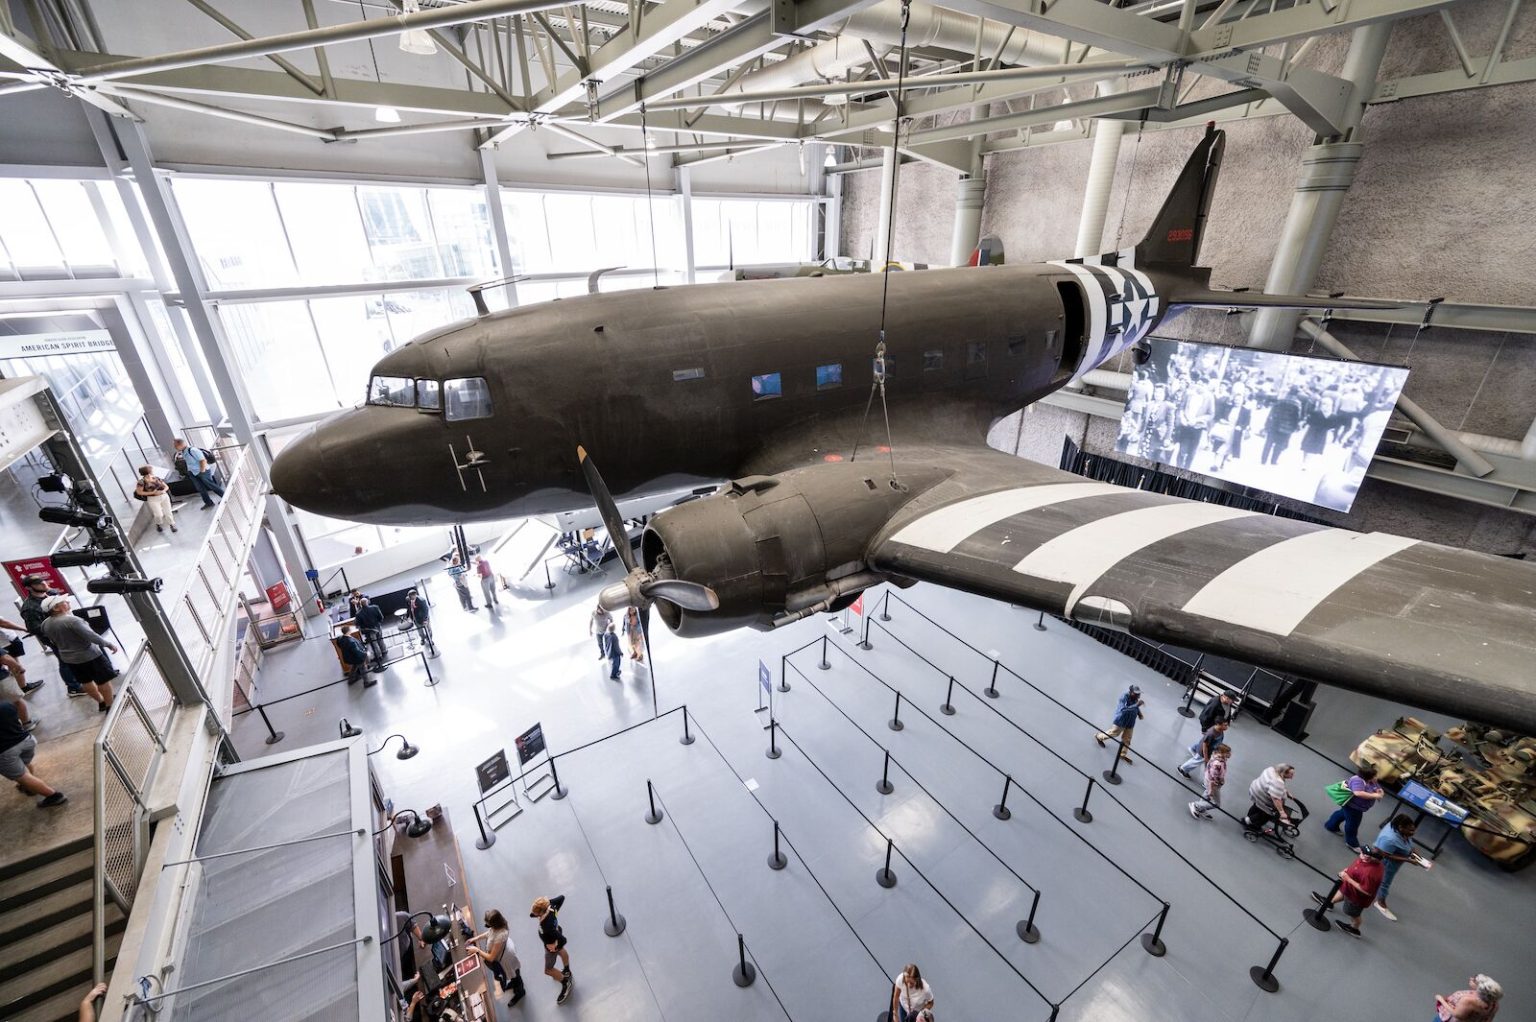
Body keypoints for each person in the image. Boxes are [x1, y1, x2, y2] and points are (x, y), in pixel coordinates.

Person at [38, 596, 115, 711]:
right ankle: (111, 705)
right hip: (90, 656)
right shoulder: (72, 621)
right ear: (56, 608)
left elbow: (51, 640)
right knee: (103, 680)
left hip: (69, 658)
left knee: (85, 681)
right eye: (63, 602)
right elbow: (91, 636)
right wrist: (108, 644)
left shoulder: (45, 624)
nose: (67, 602)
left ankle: (101, 701)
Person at [20, 576, 84, 697]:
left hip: (69, 631)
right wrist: (55, 629)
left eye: (43, 581)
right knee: (65, 661)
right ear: (29, 587)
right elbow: (35, 628)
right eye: (38, 583)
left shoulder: (51, 593)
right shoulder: (30, 608)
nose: (44, 584)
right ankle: (73, 687)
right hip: (55, 638)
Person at [1, 700, 67, 807]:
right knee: (24, 764)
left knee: (22, 776)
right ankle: (28, 787)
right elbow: (19, 722)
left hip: (6, 750)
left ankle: (54, 796)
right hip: (27, 741)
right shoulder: (7, 705)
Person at [1310, 846, 1385, 937]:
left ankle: (1354, 928)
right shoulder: (1366, 860)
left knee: (1351, 912)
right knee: (1342, 891)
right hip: (1350, 887)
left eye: (1364, 854)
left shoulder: (1370, 873)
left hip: (1357, 898)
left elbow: (1367, 891)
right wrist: (1347, 871)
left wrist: (1348, 879)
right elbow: (1358, 866)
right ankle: (1329, 902)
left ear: (1370, 858)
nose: (1361, 853)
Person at [1372, 814, 1429, 921]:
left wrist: (1415, 853)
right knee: (1385, 882)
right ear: (1401, 828)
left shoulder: (1399, 828)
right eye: (1410, 831)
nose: (1413, 833)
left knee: (1377, 877)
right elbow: (1386, 854)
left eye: (1414, 829)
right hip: (1387, 862)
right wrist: (1408, 860)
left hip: (1395, 857)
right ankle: (1380, 903)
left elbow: (1408, 842)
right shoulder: (1390, 839)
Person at [1323, 763, 1385, 852]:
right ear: (1368, 776)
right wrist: (1375, 795)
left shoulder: (1371, 781)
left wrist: (1379, 792)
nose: (1377, 777)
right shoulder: (1357, 781)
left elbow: (1377, 787)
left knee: (1342, 814)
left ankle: (1330, 825)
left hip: (1353, 806)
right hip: (1353, 807)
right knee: (1353, 824)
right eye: (1375, 776)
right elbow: (1358, 793)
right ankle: (1351, 843)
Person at [471, 909, 525, 1007]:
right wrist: (476, 938)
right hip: (502, 956)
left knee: (515, 975)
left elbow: (491, 958)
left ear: (494, 924)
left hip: (506, 959)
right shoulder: (496, 927)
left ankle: (520, 992)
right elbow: (489, 933)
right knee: (513, 975)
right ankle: (514, 983)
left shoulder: (501, 934)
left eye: (488, 924)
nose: (487, 925)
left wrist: (477, 950)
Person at [529, 894, 572, 1004]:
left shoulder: (546, 926)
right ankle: (567, 970)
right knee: (561, 950)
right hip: (557, 930)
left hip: (551, 945)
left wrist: (555, 947)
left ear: (541, 913)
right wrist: (546, 904)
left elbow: (563, 940)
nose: (533, 914)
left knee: (548, 970)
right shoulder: (552, 907)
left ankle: (566, 982)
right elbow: (562, 897)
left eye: (536, 913)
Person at [1094, 685, 1144, 764]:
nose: (1138, 695)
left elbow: (1136, 707)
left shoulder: (1135, 698)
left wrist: (1139, 713)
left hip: (1130, 722)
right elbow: (1123, 709)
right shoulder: (1124, 697)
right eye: (1136, 693)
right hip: (1121, 721)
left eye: (1139, 694)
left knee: (1127, 739)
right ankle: (1099, 736)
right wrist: (1137, 705)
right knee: (1114, 733)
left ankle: (1122, 754)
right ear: (1131, 692)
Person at [1243, 763, 1296, 834]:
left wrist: (1286, 792)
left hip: (1255, 790)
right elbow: (1276, 799)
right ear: (1284, 773)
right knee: (1268, 814)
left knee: (1257, 806)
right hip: (1262, 797)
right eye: (1291, 774)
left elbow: (1272, 784)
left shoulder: (1270, 770)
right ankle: (1252, 825)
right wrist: (1282, 812)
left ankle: (1249, 818)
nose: (1292, 777)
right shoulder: (1278, 782)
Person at [173, 438, 224, 509]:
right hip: (193, 472)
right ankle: (208, 503)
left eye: (175, 445)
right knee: (200, 488)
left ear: (180, 444)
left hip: (202, 472)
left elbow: (202, 460)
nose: (174, 447)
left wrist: (202, 471)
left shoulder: (193, 450)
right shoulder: (183, 452)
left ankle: (224, 497)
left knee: (211, 485)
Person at [1261, 388, 1303, 465]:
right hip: (1287, 428)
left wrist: (1267, 424)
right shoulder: (1297, 404)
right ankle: (1273, 461)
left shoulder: (1280, 400)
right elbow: (1297, 418)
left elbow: (1272, 412)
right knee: (1279, 445)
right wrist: (1295, 427)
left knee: (1268, 442)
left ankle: (1263, 460)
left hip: (1275, 424)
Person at [1435, 974, 1503, 1021]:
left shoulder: (1468, 1001)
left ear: (1479, 988)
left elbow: (1457, 1014)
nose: (1471, 978)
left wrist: (1441, 999)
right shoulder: (1494, 1004)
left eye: (1474, 980)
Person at [1, 615, 40, 695]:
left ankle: (18, 684)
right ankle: (23, 687)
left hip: (4, 642)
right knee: (14, 663)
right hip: (6, 641)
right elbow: (4, 623)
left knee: (11, 664)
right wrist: (24, 629)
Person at [1189, 743, 1230, 820]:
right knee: (1216, 804)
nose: (1230, 754)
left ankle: (1200, 809)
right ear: (1221, 753)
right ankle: (1196, 805)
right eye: (1227, 752)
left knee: (1207, 795)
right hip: (1214, 784)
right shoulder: (1217, 764)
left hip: (1211, 781)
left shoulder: (1219, 759)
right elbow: (1212, 779)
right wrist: (1211, 788)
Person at [135, 466, 177, 534]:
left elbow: (166, 486)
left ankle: (172, 525)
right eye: (151, 470)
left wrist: (163, 491)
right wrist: (152, 493)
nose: (152, 471)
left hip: (164, 496)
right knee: (158, 514)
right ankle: (158, 523)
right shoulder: (141, 482)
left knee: (168, 512)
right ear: (148, 471)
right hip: (153, 499)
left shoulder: (156, 478)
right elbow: (139, 492)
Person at [353, 597, 387, 669]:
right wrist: (378, 624)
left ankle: (379, 656)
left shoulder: (358, 614)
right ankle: (384, 650)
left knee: (374, 643)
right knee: (381, 639)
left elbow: (359, 624)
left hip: (369, 630)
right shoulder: (375, 607)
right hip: (378, 626)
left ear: (361, 605)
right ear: (367, 602)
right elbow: (381, 617)